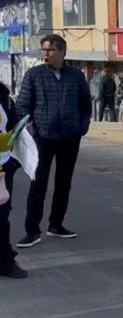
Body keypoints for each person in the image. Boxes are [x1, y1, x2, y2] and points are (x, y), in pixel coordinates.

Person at [16, 34, 91, 248]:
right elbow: (23, 104)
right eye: (44, 50)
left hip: (70, 137)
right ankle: (32, 231)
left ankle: (56, 225)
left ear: (62, 52)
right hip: (43, 138)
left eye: (50, 50)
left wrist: (82, 127)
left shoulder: (76, 76)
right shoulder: (34, 75)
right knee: (37, 184)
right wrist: (29, 125)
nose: (46, 54)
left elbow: (86, 105)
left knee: (63, 183)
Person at [0, 81, 26, 278]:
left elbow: (14, 123)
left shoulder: (3, 97)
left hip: (3, 167)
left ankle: (5, 262)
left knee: (2, 216)